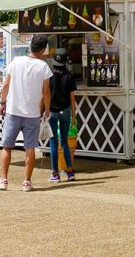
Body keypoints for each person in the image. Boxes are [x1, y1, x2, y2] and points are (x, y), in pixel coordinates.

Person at [0, 35, 52, 192]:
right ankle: (26, 182)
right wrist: (47, 109)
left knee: (7, 146)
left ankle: (4, 180)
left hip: (13, 110)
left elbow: (5, 84)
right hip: (33, 113)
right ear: (43, 49)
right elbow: (46, 92)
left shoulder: (16, 62)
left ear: (30, 46)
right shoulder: (43, 67)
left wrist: (3, 102)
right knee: (30, 148)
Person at [47, 48, 77, 182]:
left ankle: (55, 174)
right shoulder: (70, 76)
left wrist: (44, 111)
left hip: (52, 111)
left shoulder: (49, 76)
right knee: (64, 142)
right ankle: (70, 172)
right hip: (66, 111)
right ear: (66, 62)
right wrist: (74, 115)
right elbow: (72, 97)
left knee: (53, 143)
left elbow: (45, 95)